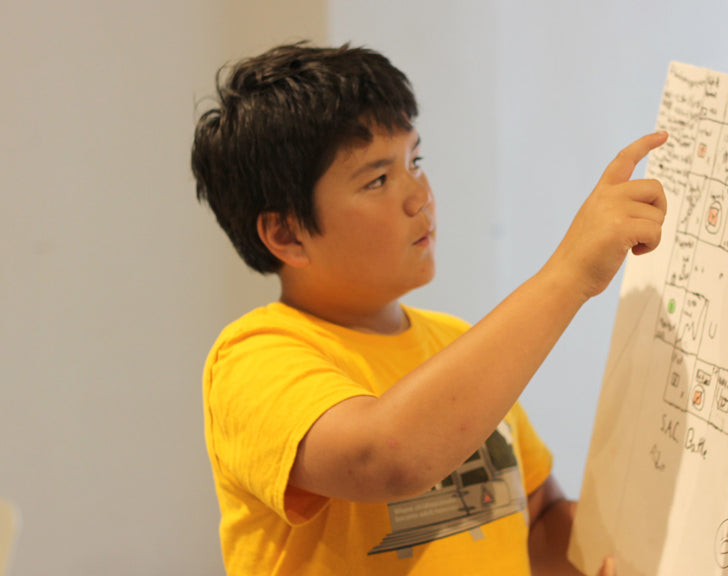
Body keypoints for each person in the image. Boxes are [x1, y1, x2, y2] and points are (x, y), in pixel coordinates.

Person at [191, 41, 667, 576]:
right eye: (377, 179)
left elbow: (537, 519)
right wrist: (569, 273)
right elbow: (385, 456)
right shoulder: (253, 358)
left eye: (414, 160)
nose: (419, 196)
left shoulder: (453, 341)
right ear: (286, 233)